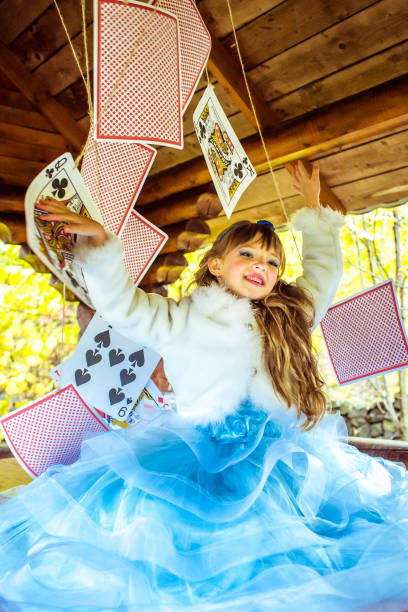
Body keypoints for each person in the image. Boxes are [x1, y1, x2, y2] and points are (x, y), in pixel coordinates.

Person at [0, 161, 407, 612]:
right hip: (197, 453)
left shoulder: (288, 315)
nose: (263, 266)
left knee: (291, 555)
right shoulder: (180, 318)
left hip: (276, 457)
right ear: (214, 264)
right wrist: (100, 250)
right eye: (247, 255)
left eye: (273, 261)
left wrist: (313, 212)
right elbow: (122, 306)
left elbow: (323, 274)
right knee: (189, 549)